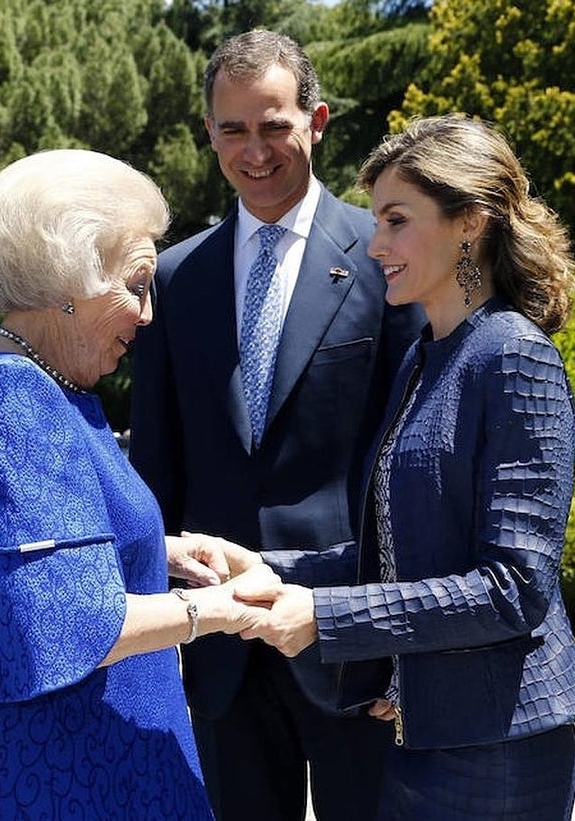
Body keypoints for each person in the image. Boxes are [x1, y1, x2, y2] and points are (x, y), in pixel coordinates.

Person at [232, 114, 575, 820]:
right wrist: (266, 568)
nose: (375, 246)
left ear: (470, 222)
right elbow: (400, 549)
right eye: (377, 222)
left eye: (397, 221)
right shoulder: (426, 356)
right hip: (420, 739)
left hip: (498, 756)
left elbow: (513, 590)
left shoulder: (513, 357)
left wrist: (323, 615)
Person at [0, 149, 276, 820]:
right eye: (136, 284)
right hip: (46, 780)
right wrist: (222, 610)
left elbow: (41, 552)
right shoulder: (10, 400)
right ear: (68, 280)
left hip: (82, 766)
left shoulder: (56, 387)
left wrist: (161, 551)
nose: (148, 312)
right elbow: (67, 621)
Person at [129, 28, 425, 821]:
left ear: (317, 121)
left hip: (350, 641)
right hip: (219, 654)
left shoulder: (389, 256)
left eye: (274, 126)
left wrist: (403, 647)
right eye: (234, 129)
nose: (254, 151)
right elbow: (158, 466)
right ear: (210, 134)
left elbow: (411, 465)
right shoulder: (174, 277)